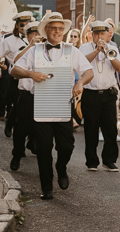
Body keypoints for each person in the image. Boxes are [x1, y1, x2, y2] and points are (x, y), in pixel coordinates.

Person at [11, 12, 94, 200]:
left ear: (63, 31)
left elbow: (89, 71)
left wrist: (80, 83)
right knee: (43, 148)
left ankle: (61, 167)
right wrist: (31, 75)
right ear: (46, 30)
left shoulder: (72, 50)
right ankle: (46, 187)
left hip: (63, 107)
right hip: (41, 107)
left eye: (60, 28)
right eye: (53, 28)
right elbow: (14, 70)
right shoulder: (35, 50)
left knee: (67, 146)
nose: (57, 31)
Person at [80, 20, 120, 171]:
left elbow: (119, 68)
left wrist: (107, 53)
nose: (99, 37)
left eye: (102, 33)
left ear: (107, 34)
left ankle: (109, 160)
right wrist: (97, 51)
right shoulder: (84, 47)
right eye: (96, 33)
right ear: (91, 34)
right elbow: (81, 64)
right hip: (90, 94)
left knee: (110, 129)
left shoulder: (112, 48)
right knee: (91, 129)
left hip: (108, 94)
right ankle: (92, 161)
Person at [0, 11, 34, 138]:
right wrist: (1, 66)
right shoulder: (9, 40)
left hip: (33, 79)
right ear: (16, 25)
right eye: (22, 25)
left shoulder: (36, 38)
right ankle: (11, 124)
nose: (25, 27)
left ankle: (32, 140)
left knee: (32, 111)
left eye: (28, 24)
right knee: (18, 106)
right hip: (16, 78)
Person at [9, 21, 41, 171]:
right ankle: (17, 154)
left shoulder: (45, 50)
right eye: (33, 34)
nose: (36, 36)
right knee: (20, 128)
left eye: (38, 33)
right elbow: (15, 63)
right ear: (28, 37)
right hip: (25, 95)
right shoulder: (22, 49)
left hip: (41, 95)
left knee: (41, 128)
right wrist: (30, 47)